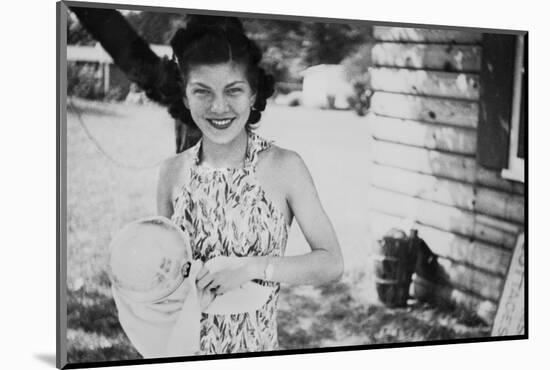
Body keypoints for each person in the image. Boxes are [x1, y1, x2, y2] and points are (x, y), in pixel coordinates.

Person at [156, 15, 344, 354]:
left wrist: (252, 267)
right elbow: (167, 278)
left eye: (233, 90)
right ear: (184, 96)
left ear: (254, 93)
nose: (218, 107)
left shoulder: (285, 167)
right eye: (202, 91)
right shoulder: (171, 173)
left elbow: (331, 262)